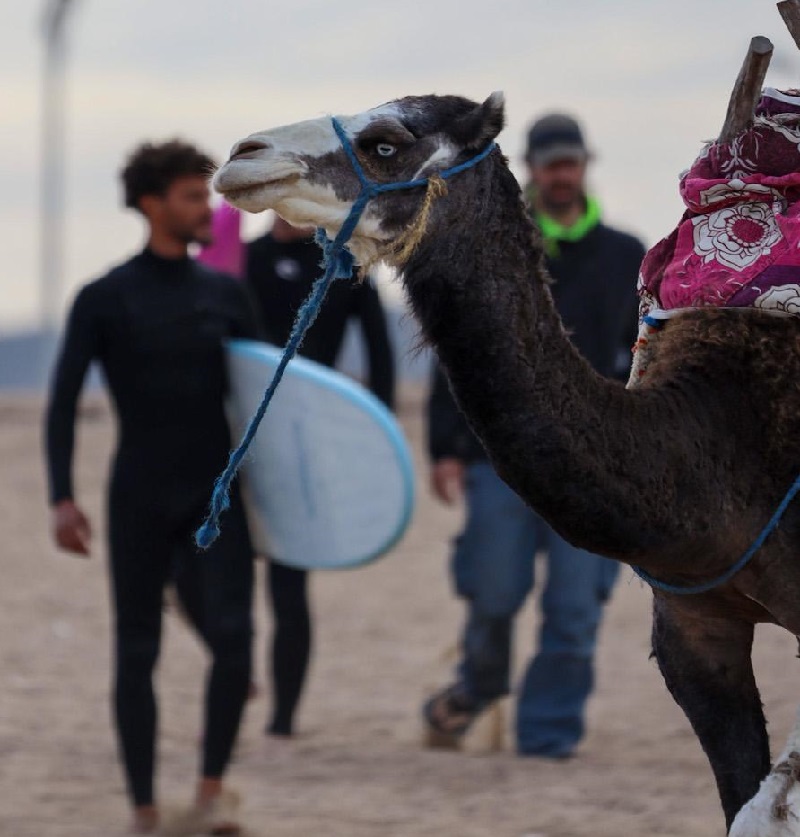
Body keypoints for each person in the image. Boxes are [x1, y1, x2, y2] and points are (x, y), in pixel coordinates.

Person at [45, 140, 259, 834]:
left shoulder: (226, 295)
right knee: (137, 649)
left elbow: (265, 404)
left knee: (233, 639)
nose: (207, 208)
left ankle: (208, 794)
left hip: (215, 495)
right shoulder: (104, 298)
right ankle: (142, 808)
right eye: (194, 196)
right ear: (152, 203)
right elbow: (63, 402)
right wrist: (61, 496)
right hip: (137, 492)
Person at [422, 113, 645, 758]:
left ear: (583, 165)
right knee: (494, 593)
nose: (561, 174)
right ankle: (475, 687)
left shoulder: (627, 256)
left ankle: (546, 740)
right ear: (532, 168)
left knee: (574, 614)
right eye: (549, 163)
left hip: (596, 465)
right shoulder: (494, 249)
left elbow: (651, 355)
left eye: (570, 161)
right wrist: (443, 448)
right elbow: (453, 349)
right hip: (501, 458)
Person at [244, 215, 395, 738]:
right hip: (235, 441)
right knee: (224, 578)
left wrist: (377, 444)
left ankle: (283, 718)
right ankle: (236, 678)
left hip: (306, 446)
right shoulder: (244, 261)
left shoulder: (344, 265)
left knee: (288, 583)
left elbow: (380, 357)